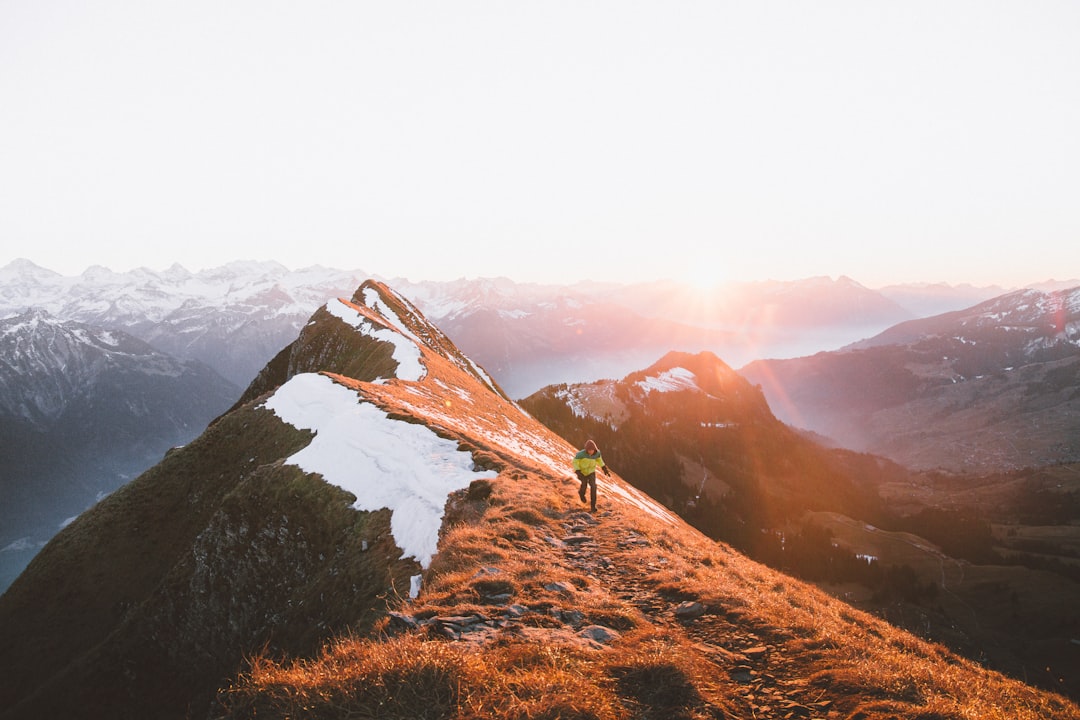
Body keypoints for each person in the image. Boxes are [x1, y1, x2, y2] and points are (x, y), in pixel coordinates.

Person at [572, 439, 611, 512]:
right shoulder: (580, 454)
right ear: (586, 449)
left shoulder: (597, 454)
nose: (590, 451)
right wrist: (577, 471)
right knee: (584, 484)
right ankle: (581, 493)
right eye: (589, 450)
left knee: (593, 487)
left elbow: (600, 460)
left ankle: (593, 506)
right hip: (582, 472)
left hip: (591, 472)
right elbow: (575, 462)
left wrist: (604, 468)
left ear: (594, 449)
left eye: (592, 450)